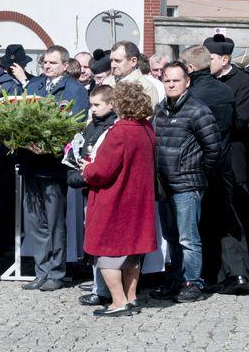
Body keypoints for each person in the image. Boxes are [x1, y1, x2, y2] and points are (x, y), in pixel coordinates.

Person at [81, 82, 158, 316]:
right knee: (132, 251)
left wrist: (87, 169)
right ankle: (132, 297)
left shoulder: (120, 132)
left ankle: (118, 301)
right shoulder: (146, 128)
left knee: (107, 252)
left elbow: (102, 171)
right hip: (138, 199)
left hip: (115, 200)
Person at [179, 45, 249, 294]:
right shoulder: (225, 90)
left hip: (199, 165)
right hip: (225, 162)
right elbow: (236, 124)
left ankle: (210, 275)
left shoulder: (191, 95)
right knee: (228, 220)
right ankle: (238, 273)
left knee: (203, 223)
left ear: (188, 68)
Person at [20, 45, 89, 291]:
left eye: (51, 63)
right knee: (35, 220)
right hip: (31, 161)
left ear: (64, 65)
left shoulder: (75, 90)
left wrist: (50, 144)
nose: (46, 66)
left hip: (53, 164)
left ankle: (57, 271)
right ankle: (41, 270)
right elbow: (18, 116)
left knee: (54, 221)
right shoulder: (34, 86)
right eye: (44, 63)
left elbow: (76, 126)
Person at [152, 61, 221, 303]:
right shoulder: (160, 109)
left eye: (176, 80)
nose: (171, 84)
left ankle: (194, 283)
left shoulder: (197, 110)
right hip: (163, 185)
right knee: (171, 236)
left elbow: (213, 148)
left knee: (188, 238)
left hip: (187, 185)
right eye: (167, 80)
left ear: (187, 81)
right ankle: (177, 279)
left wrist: (197, 174)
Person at [66, 85, 117, 306]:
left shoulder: (112, 127)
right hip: (89, 188)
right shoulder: (92, 125)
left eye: (97, 105)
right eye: (91, 105)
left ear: (111, 104)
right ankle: (101, 287)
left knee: (104, 242)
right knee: (95, 239)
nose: (93, 109)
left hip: (103, 190)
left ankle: (105, 290)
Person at [205, 33, 249, 243]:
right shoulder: (205, 81)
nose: (206, 62)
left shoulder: (243, 82)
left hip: (233, 155)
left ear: (224, 59)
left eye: (210, 57)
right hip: (209, 157)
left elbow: (240, 121)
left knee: (237, 214)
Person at [102, 41, 159, 109]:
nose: (112, 65)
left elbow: (148, 116)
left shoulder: (146, 87)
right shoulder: (107, 82)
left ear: (133, 61)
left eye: (118, 61)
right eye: (111, 61)